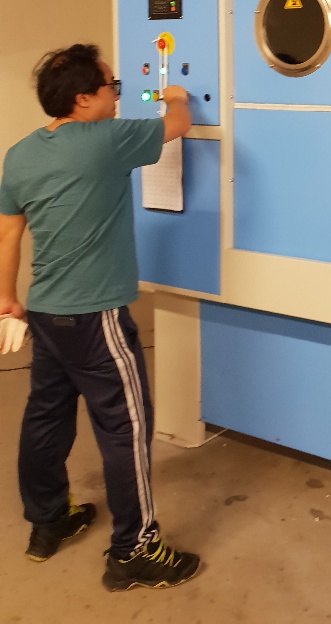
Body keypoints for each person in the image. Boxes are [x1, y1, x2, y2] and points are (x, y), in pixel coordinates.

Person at [0, 43, 200, 591]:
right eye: (111, 87)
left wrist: (6, 299)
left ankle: (49, 522)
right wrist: (176, 94)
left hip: (45, 311)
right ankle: (135, 550)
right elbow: (178, 124)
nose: (116, 95)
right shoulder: (108, 139)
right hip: (96, 319)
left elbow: (9, 233)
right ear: (83, 99)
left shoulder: (20, 154)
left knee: (45, 417)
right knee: (126, 427)